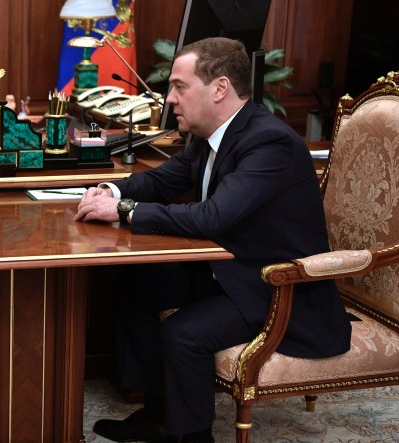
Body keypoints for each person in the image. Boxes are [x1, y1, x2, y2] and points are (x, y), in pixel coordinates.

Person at [74, 37, 352, 443]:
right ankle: (158, 415)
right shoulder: (210, 135)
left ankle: (192, 436)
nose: (170, 99)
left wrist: (123, 211)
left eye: (179, 87)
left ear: (220, 88)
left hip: (276, 287)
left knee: (183, 333)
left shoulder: (269, 142)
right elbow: (163, 180)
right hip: (229, 269)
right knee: (136, 284)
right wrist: (109, 191)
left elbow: (214, 215)